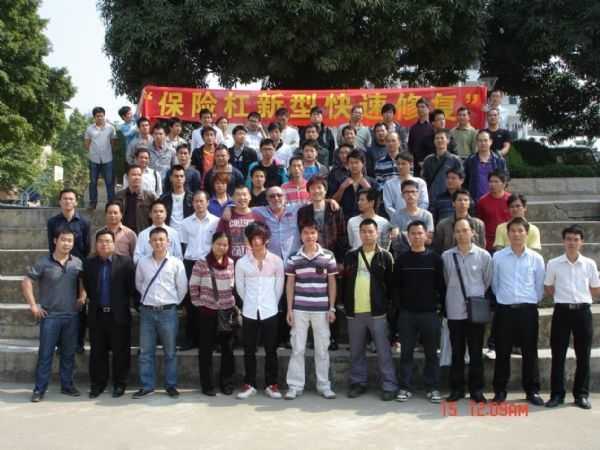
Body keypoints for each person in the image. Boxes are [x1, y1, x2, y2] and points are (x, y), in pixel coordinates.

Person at [24, 227, 86, 402]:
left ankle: (67, 385)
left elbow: (83, 280)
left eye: (70, 241)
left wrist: (83, 295)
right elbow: (27, 281)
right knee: (45, 354)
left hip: (71, 316)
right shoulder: (43, 262)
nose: (67, 243)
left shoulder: (77, 262)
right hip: (50, 316)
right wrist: (33, 306)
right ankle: (39, 389)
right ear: (55, 241)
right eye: (63, 240)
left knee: (68, 354)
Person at [544, 225, 600, 410]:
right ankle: (557, 394)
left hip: (583, 312)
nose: (572, 243)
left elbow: (595, 289)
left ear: (582, 242)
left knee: (583, 355)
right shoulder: (553, 263)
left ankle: (581, 395)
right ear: (563, 241)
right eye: (569, 239)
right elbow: (549, 287)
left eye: (576, 239)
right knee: (558, 354)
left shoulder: (589, 264)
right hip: (562, 311)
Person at [491, 217, 545, 406]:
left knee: (530, 351)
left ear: (527, 233)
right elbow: (495, 284)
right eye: (513, 231)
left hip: (527, 311)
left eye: (520, 230)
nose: (516, 234)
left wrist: (528, 300)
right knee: (502, 351)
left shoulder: (536, 258)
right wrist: (505, 299)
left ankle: (532, 390)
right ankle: (500, 390)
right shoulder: (498, 257)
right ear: (507, 234)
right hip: (505, 310)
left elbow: (539, 287)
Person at [343, 218, 398, 400]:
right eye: (363, 231)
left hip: (378, 312)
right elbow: (345, 282)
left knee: (383, 351)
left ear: (377, 233)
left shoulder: (385, 256)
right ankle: (358, 382)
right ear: (359, 234)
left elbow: (391, 286)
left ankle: (389, 385)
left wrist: (389, 309)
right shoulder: (351, 256)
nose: (367, 235)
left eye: (370, 231)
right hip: (355, 312)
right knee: (356, 351)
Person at [284, 221, 338, 400]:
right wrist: (289, 309)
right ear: (301, 235)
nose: (309, 236)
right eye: (306, 233)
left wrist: (332, 308)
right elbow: (290, 283)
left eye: (313, 232)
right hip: (299, 309)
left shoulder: (328, 256)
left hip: (321, 310)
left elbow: (332, 283)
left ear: (317, 234)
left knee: (322, 349)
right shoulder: (294, 257)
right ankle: (295, 386)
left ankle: (324, 385)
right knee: (297, 348)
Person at [394, 220, 446, 403]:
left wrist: (439, 309)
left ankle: (432, 388)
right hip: (407, 314)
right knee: (406, 353)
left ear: (426, 235)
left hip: (429, 313)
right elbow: (396, 287)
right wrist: (400, 309)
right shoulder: (401, 259)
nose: (416, 237)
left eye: (419, 233)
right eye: (413, 234)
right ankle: (405, 387)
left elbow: (441, 286)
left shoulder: (435, 259)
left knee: (431, 353)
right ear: (408, 237)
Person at [133, 227, 188, 399]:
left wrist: (171, 302)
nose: (158, 243)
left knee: (170, 352)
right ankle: (147, 386)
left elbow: (182, 288)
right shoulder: (143, 262)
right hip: (147, 312)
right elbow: (139, 284)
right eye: (154, 240)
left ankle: (171, 385)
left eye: (161, 239)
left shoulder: (176, 263)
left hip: (168, 312)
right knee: (145, 352)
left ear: (168, 242)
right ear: (149, 243)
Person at [441, 218, 492, 403]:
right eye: (458, 231)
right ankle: (457, 389)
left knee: (476, 352)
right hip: (454, 310)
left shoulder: (484, 256)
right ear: (454, 234)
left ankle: (476, 390)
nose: (462, 234)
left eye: (465, 230)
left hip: (475, 312)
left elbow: (487, 281)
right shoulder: (446, 256)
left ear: (473, 232)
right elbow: (446, 279)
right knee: (457, 352)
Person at [83, 229, 136, 399]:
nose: (104, 244)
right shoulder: (89, 263)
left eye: (108, 241)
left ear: (114, 243)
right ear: (96, 244)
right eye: (100, 241)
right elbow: (88, 287)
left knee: (121, 352)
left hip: (118, 315)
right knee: (98, 352)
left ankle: (120, 383)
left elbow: (131, 288)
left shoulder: (126, 262)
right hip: (98, 314)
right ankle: (98, 384)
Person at [235, 222, 285, 399]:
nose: (256, 242)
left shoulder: (276, 261)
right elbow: (240, 288)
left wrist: (271, 303)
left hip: (270, 310)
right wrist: (250, 302)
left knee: (271, 349)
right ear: (248, 240)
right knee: (249, 349)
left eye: (260, 238)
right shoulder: (242, 263)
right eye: (253, 238)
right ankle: (250, 384)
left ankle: (272, 384)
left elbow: (279, 287)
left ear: (266, 239)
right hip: (249, 310)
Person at [188, 232, 236, 396]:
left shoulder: (231, 263)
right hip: (207, 312)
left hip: (226, 312)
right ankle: (207, 385)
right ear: (212, 244)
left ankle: (227, 383)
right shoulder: (202, 262)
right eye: (219, 244)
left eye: (225, 245)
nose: (222, 247)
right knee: (206, 350)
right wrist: (199, 303)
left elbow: (232, 284)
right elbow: (193, 285)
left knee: (227, 350)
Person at [47, 189, 90, 354]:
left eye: (71, 199)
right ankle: (60, 344)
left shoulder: (84, 222)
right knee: (60, 306)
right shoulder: (52, 222)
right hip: (59, 268)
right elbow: (51, 246)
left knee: (80, 306)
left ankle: (78, 343)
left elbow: (87, 247)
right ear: (60, 202)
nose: (68, 201)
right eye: (65, 199)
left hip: (78, 269)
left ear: (76, 202)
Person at [179, 191, 220, 350]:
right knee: (192, 302)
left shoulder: (216, 222)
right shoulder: (185, 223)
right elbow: (184, 245)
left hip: (210, 263)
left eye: (201, 201)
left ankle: (211, 340)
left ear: (208, 202)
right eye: (196, 201)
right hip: (191, 263)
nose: (198, 204)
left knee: (211, 302)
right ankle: (191, 339)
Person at [433, 188, 486, 254]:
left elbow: (482, 247)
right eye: (459, 200)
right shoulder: (443, 225)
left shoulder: (479, 224)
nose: (463, 202)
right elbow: (438, 248)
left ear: (469, 203)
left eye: (466, 200)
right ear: (453, 203)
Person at [329, 150, 378, 220]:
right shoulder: (341, 181)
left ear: (363, 164)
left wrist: (368, 188)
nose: (354, 165)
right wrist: (342, 188)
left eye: (356, 162)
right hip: (346, 218)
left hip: (366, 218)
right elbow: (334, 201)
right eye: (351, 163)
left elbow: (376, 204)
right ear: (348, 165)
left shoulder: (372, 182)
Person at [84, 106, 117, 208]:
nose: (100, 118)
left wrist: (109, 151)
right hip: (94, 159)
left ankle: (111, 203)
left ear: (104, 116)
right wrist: (93, 152)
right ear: (94, 117)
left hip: (108, 159)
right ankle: (93, 202)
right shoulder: (89, 129)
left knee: (109, 182)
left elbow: (113, 143)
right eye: (97, 116)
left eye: (101, 116)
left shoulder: (111, 128)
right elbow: (86, 144)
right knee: (93, 182)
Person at [464, 130, 509, 202]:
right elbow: (465, 182)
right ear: (476, 142)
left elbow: (505, 180)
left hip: (495, 200)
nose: (483, 143)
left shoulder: (499, 160)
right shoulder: (470, 161)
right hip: (475, 201)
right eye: (480, 141)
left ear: (490, 142)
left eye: (485, 140)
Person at [421, 129, 463, 203]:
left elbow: (460, 181)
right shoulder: (428, 160)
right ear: (434, 141)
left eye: (442, 138)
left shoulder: (455, 160)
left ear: (448, 140)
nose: (439, 140)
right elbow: (423, 180)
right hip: (431, 199)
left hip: (449, 199)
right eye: (437, 138)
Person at [383, 152, 429, 217]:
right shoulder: (389, 184)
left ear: (411, 164)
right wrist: (400, 217)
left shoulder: (420, 182)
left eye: (403, 164)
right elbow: (388, 206)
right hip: (397, 219)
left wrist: (416, 215)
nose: (400, 166)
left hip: (417, 218)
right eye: (398, 164)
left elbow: (424, 202)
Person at [216, 185, 255, 261]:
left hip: (252, 261)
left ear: (250, 197)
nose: (242, 197)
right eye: (238, 195)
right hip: (230, 261)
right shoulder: (226, 217)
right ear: (233, 198)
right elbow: (218, 239)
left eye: (244, 194)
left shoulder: (257, 215)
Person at [114, 165, 157, 233]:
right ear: (127, 177)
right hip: (123, 233)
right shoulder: (119, 196)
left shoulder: (150, 196)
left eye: (139, 175)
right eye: (133, 175)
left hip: (143, 233)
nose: (137, 177)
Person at [476, 170, 511, 252]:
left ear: (504, 184)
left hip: (507, 242)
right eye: (490, 181)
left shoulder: (511, 200)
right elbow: (479, 222)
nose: (492, 184)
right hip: (489, 244)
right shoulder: (482, 201)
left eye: (496, 182)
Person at [160, 165, 194, 235]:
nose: (179, 178)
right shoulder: (164, 199)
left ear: (185, 178)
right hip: (169, 235)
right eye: (176, 176)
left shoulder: (192, 198)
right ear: (171, 178)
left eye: (181, 176)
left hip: (187, 234)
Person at [407, 97, 434, 176]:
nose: (420, 109)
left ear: (428, 108)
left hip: (431, 164)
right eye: (418, 107)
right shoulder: (413, 128)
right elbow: (410, 147)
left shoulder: (433, 127)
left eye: (423, 107)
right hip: (416, 165)